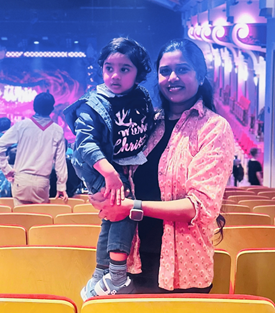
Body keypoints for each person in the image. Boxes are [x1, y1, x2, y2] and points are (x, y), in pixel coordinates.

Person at [90, 39, 234, 294]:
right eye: (165, 71)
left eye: (183, 69)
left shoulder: (214, 128)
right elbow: (123, 175)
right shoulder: (148, 123)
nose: (172, 77)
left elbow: (197, 208)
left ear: (200, 76)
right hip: (132, 262)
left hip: (183, 270)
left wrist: (131, 207)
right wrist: (102, 195)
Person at [64, 37, 154, 299]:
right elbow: (86, 143)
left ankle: (99, 272)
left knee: (110, 217)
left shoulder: (141, 96)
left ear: (138, 72)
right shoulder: (92, 104)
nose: (115, 75)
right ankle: (116, 276)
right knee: (125, 210)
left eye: (124, 69)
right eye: (108, 68)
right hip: (99, 168)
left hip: (122, 166)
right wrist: (110, 175)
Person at [0, 92, 68, 206]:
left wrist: (7, 170)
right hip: (42, 183)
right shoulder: (57, 130)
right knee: (39, 220)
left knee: (20, 219)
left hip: (21, 180)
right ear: (52, 109)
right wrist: (61, 185)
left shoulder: (22, 125)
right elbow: (60, 162)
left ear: (33, 107)